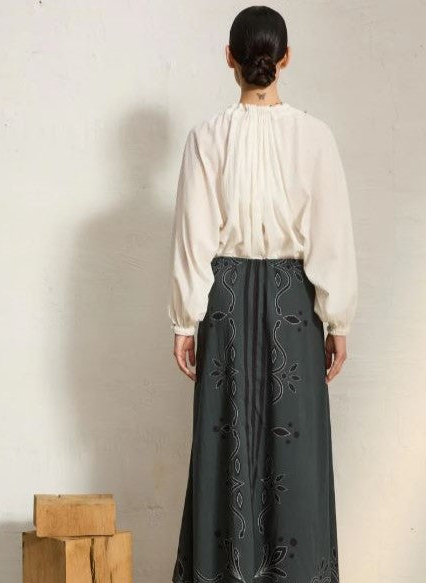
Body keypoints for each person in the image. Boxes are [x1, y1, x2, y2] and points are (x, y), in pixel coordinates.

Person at [166, 6, 357, 582]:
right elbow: (331, 236)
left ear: (229, 58)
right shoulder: (315, 137)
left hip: (224, 306)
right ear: (285, 58)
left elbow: (194, 236)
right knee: (294, 451)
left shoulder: (207, 137)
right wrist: (338, 320)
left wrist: (184, 321)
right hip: (293, 306)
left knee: (227, 446)